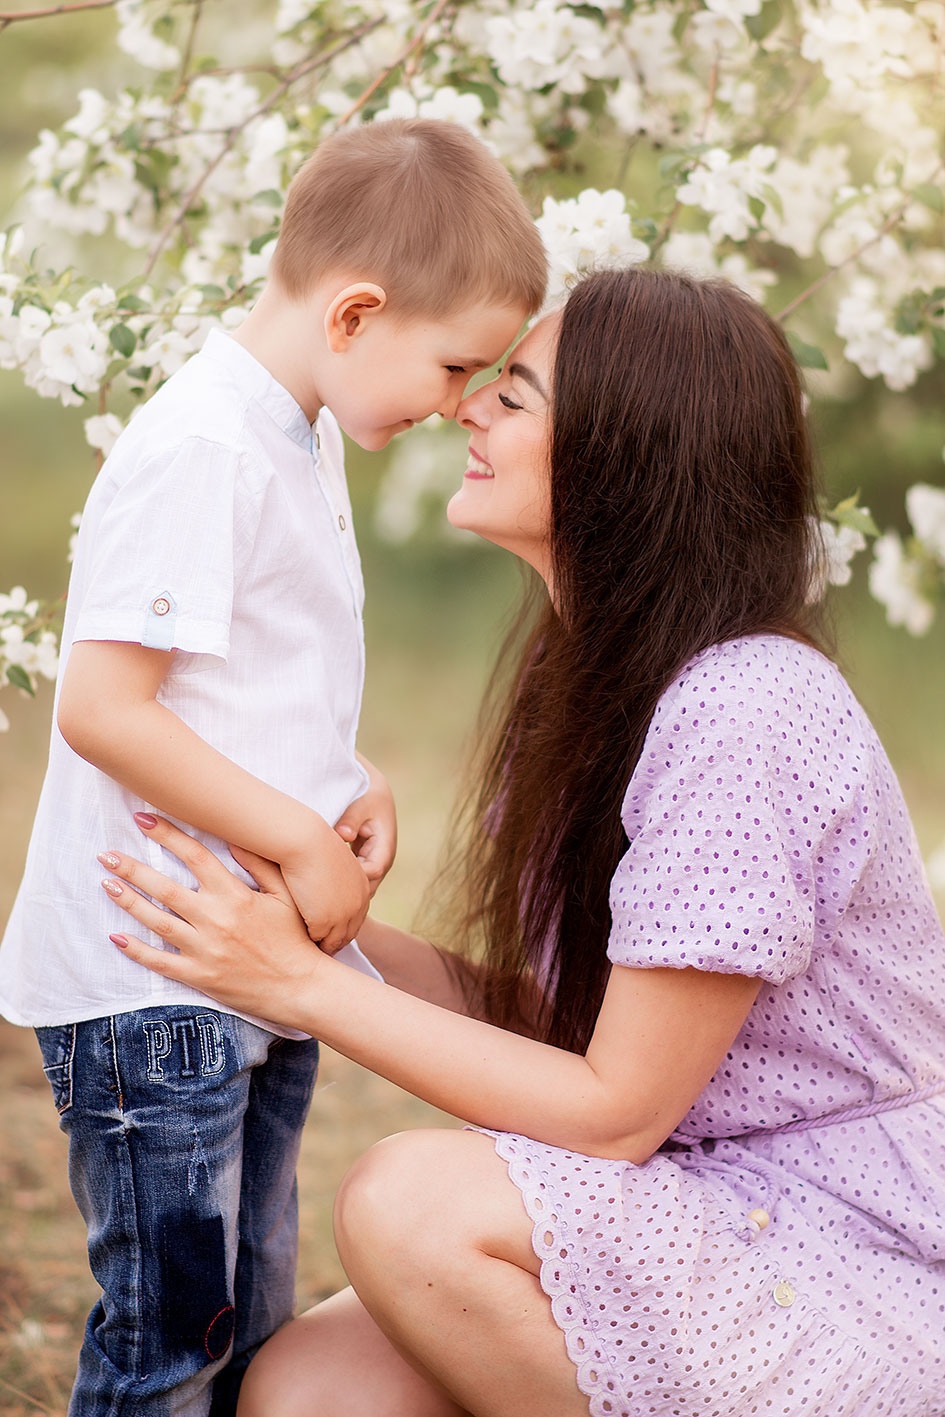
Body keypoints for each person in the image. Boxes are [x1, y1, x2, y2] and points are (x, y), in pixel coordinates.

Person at [96, 267, 945, 1417]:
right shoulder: (594, 678)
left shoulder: (749, 708)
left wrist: (300, 984)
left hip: (849, 1243)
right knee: (310, 1394)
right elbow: (561, 1032)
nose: (468, 408)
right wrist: (323, 925)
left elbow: (614, 1107)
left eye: (519, 394)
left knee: (411, 1203)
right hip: (699, 1193)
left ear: (624, 452)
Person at [0, 117, 546, 1417]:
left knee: (246, 1310)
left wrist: (340, 785)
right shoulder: (206, 445)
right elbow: (105, 707)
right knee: (171, 1339)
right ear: (356, 313)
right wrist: (297, 847)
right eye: (455, 362)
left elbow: (244, 678)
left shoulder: (293, 436)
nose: (461, 402)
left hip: (249, 960)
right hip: (159, 976)